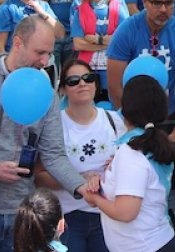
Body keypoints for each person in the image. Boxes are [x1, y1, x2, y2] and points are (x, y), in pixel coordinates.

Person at [0, 14, 90, 250]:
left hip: (23, 213)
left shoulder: (46, 93)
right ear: (18, 43)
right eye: (39, 52)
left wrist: (82, 188)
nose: (44, 61)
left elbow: (53, 154)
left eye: (49, 54)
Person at [83, 74, 175, 252]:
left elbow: (126, 212)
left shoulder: (131, 153)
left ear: (126, 107)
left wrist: (95, 199)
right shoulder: (154, 145)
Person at [106, 0, 175, 129]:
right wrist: (130, 124)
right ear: (144, 2)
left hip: (167, 116)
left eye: (168, 3)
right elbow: (115, 85)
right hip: (132, 118)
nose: (163, 9)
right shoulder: (126, 31)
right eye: (156, 3)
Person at [54, 59, 125, 252]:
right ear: (63, 89)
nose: (82, 84)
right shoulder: (55, 125)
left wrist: (116, 166)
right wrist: (79, 180)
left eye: (88, 78)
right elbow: (41, 175)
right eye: (73, 81)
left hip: (107, 214)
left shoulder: (114, 120)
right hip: (68, 216)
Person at [72, 0, 131, 88]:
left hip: (113, 66)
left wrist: (96, 39)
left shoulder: (118, 7)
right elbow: (77, 44)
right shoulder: (80, 10)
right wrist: (107, 43)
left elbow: (125, 40)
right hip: (87, 69)